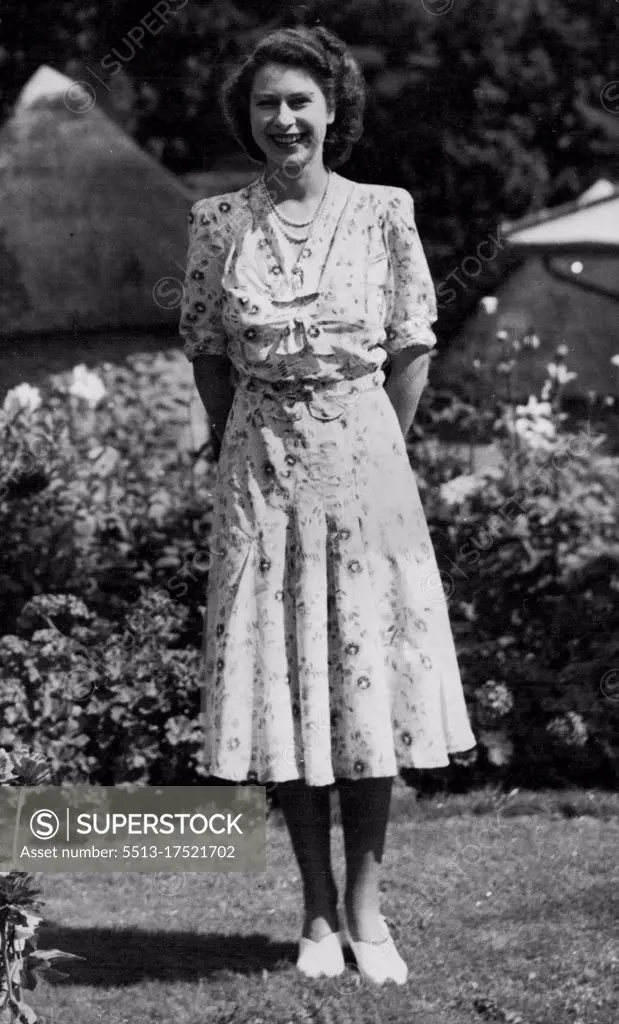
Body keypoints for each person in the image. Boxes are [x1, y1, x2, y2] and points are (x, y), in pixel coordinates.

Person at [178, 25, 477, 986]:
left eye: (300, 100)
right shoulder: (216, 222)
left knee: (363, 689)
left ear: (334, 109)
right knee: (286, 688)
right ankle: (312, 914)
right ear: (248, 117)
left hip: (366, 477)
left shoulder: (387, 211)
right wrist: (251, 443)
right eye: (266, 103)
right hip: (259, 479)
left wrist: (366, 444)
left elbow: (412, 341)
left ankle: (366, 916)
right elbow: (207, 352)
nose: (283, 119)